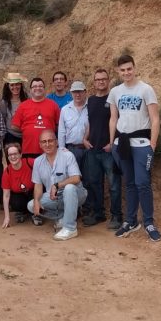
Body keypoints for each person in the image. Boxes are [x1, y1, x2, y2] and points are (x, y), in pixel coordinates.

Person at [108, 55, 161, 242]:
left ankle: (148, 222)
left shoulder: (146, 89)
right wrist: (111, 142)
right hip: (121, 144)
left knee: (142, 183)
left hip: (141, 145)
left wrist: (152, 145)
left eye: (129, 69)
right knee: (129, 183)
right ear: (118, 71)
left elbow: (155, 119)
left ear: (134, 68)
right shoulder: (115, 91)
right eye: (122, 70)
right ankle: (131, 221)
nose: (126, 73)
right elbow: (113, 118)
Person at [27, 129, 87, 240]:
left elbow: (76, 178)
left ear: (56, 142)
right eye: (44, 142)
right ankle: (63, 218)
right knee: (31, 205)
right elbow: (38, 185)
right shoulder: (38, 162)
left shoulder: (67, 155)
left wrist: (57, 185)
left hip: (76, 194)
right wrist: (36, 200)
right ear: (40, 144)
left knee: (69, 188)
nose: (47, 144)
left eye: (50, 141)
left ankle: (70, 228)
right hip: (55, 198)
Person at [83, 68, 123, 230]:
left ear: (108, 81)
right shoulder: (90, 100)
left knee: (114, 184)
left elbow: (119, 122)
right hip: (93, 148)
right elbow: (91, 123)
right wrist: (85, 139)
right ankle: (98, 213)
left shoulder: (114, 99)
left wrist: (112, 143)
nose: (101, 81)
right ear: (94, 82)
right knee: (94, 183)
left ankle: (116, 216)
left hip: (109, 150)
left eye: (104, 79)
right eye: (98, 79)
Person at [58, 81, 91, 222]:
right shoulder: (65, 109)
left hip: (88, 149)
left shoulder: (90, 107)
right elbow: (61, 130)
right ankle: (74, 210)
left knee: (89, 179)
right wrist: (61, 148)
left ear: (85, 92)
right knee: (73, 181)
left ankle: (88, 209)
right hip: (71, 150)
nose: (77, 94)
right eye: (74, 92)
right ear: (71, 93)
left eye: (80, 91)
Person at [11, 77, 60, 159]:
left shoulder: (53, 105)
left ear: (44, 89)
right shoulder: (23, 106)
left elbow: (58, 126)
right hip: (29, 149)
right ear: (30, 90)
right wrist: (26, 130)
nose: (38, 88)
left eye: (40, 86)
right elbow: (14, 126)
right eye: (35, 86)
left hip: (48, 149)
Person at [0, 142, 35, 228]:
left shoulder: (29, 162)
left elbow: (44, 162)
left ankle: (36, 214)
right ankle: (23, 212)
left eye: (15, 154)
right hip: (19, 195)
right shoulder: (7, 172)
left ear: (20, 154)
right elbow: (6, 195)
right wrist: (7, 217)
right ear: (7, 157)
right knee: (15, 202)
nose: (13, 157)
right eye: (10, 155)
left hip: (33, 193)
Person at [0, 72, 28, 147]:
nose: (15, 87)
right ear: (8, 86)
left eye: (17, 84)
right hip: (11, 136)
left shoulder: (27, 99)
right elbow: (3, 119)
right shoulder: (4, 102)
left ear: (21, 85)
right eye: (12, 85)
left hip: (26, 136)